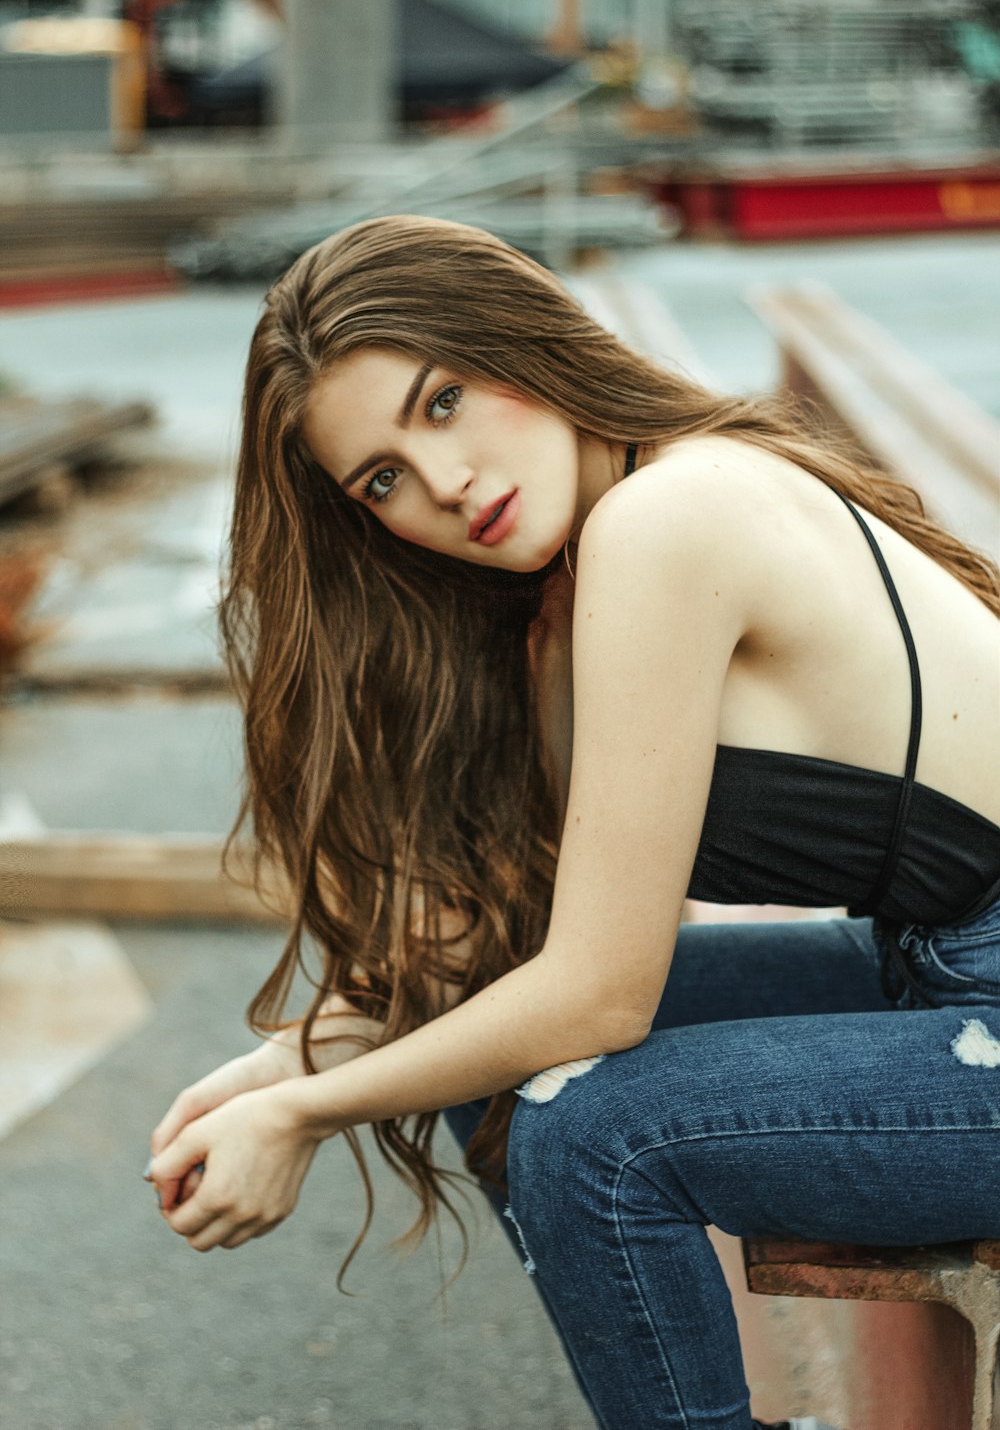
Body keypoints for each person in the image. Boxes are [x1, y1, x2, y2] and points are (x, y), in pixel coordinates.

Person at [146, 215, 1000, 1430]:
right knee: (486, 1064)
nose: (441, 482)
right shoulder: (582, 576)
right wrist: (291, 1058)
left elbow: (601, 995)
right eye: (380, 478)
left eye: (442, 401)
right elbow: (510, 936)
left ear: (520, 338)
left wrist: (301, 1113)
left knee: (591, 1137)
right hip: (940, 977)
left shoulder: (672, 518)